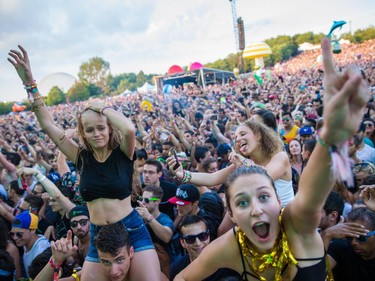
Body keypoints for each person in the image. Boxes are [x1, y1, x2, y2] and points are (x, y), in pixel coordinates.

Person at [173, 37, 369, 281]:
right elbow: (181, 278)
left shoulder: (294, 217)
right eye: (242, 203)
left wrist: (331, 137)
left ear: (277, 200)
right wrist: (184, 174)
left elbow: (310, 191)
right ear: (232, 215)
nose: (256, 209)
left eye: (264, 196)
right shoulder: (229, 245)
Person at [8, 46, 160, 281]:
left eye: (101, 127)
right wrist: (30, 83)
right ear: (83, 134)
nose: (97, 133)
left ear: (110, 128)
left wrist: (100, 108)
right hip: (98, 234)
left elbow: (129, 128)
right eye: (90, 129)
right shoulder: (80, 158)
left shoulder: (123, 154)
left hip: (131, 228)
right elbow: (48, 126)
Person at [170, 215, 241, 281]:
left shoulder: (226, 266)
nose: (198, 243)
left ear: (209, 236)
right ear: (182, 242)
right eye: (190, 239)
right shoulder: (177, 267)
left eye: (202, 236)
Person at [327, 207, 375, 280]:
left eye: (360, 237)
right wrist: (327, 235)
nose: (353, 243)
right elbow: (314, 274)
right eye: (349, 237)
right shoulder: (341, 247)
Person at [11, 210, 50, 278]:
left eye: (19, 234)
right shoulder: (26, 241)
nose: (15, 238)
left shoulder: (40, 251)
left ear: (32, 230)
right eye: (12, 234)